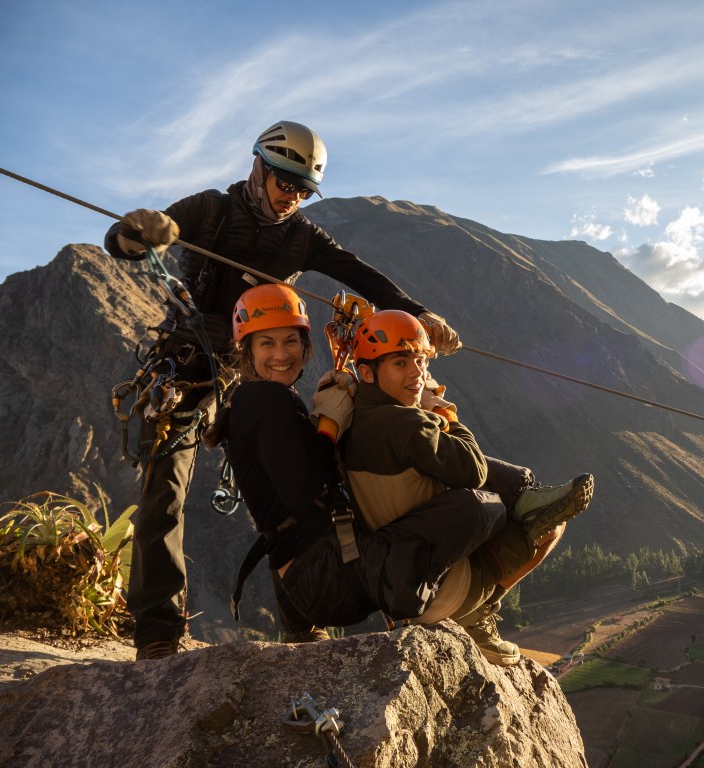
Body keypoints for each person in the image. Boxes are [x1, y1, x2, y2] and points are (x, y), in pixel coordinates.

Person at [106, 120, 461, 659]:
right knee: (166, 492)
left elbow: (361, 276)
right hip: (188, 366)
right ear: (259, 168)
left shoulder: (304, 237)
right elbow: (128, 243)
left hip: (258, 369)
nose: (292, 197)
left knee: (284, 494)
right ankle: (157, 633)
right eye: (285, 183)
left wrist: (418, 314)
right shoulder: (208, 211)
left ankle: (301, 624)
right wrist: (135, 231)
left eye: (303, 189)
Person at [205, 285, 591, 667]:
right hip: (330, 578)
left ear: (303, 344)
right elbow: (305, 491)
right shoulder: (266, 399)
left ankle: (312, 626)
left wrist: (340, 410)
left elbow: (289, 495)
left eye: (290, 341)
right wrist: (329, 427)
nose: (281, 355)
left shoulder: (257, 400)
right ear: (247, 350)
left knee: (470, 500)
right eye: (267, 345)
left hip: (313, 579)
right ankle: (420, 599)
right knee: (479, 508)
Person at [335, 309, 594, 665]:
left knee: (513, 497)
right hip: (439, 591)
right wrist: (445, 414)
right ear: (366, 372)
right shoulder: (404, 423)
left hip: (402, 573)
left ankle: (524, 495)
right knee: (551, 527)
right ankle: (476, 616)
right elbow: (472, 468)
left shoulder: (354, 416)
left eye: (420, 361)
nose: (416, 373)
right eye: (400, 363)